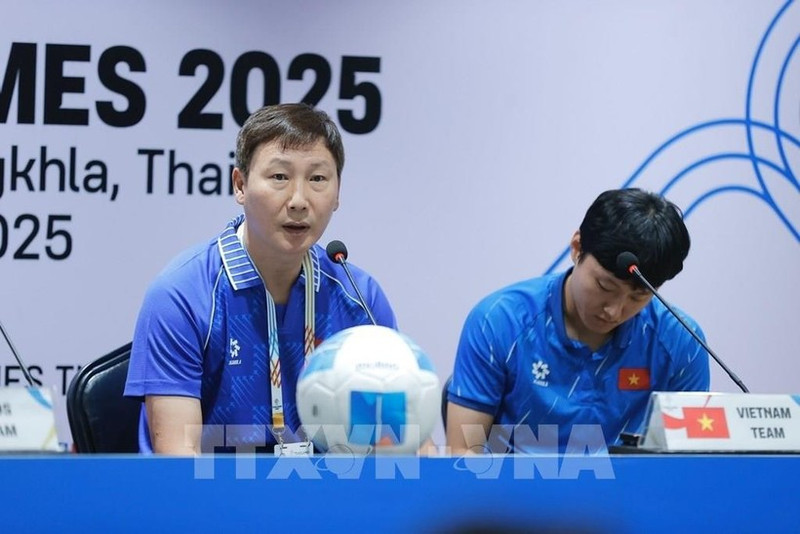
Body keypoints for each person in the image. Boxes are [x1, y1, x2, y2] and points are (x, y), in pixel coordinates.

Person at [124, 103, 396, 455]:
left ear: (338, 192)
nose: (299, 201)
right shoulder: (182, 296)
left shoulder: (361, 299)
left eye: (317, 179)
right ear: (240, 185)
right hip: (215, 501)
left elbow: (391, 447)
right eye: (280, 177)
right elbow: (178, 460)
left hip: (329, 501)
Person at [446, 188, 709, 454]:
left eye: (638, 296)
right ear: (576, 248)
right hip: (513, 492)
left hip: (625, 494)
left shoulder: (680, 342)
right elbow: (464, 454)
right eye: (605, 286)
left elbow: (689, 468)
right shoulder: (499, 321)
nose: (614, 311)